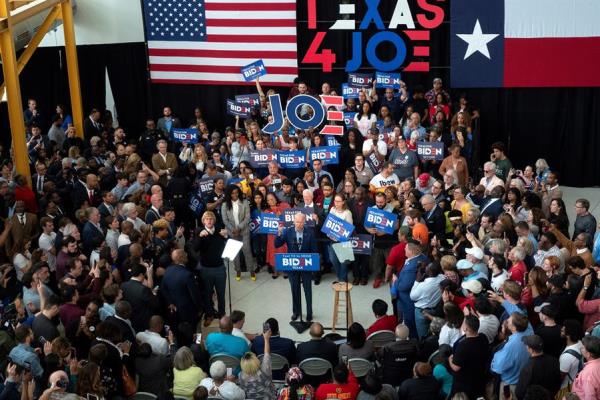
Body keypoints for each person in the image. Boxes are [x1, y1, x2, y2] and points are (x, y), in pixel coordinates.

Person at [275, 213, 317, 321]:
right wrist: (279, 233)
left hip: (306, 266)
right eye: (297, 222)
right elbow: (277, 244)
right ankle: (296, 312)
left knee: (308, 290)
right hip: (292, 266)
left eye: (301, 222)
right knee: (295, 290)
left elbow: (314, 250)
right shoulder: (288, 231)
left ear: (304, 222)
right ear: (293, 222)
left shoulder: (310, 232)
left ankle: (309, 312)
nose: (298, 224)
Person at [191, 211, 227, 326]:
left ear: (214, 220)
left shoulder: (219, 231)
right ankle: (209, 314)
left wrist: (226, 236)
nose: (209, 221)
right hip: (206, 269)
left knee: (221, 294)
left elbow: (226, 245)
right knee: (208, 294)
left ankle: (222, 315)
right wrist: (199, 237)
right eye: (207, 219)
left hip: (220, 267)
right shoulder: (200, 233)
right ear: (203, 221)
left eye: (211, 219)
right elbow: (195, 248)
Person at [491, 312, 533, 398]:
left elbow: (498, 368)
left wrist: (495, 358)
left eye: (509, 321)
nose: (506, 321)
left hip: (510, 385)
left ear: (513, 327)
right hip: (524, 381)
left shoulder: (511, 346)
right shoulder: (529, 331)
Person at [448, 315, 491, 399]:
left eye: (463, 323)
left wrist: (450, 360)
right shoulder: (483, 337)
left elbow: (456, 368)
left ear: (466, 329)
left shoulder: (463, 346)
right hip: (479, 376)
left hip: (465, 383)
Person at [391, 242, 428, 338]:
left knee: (410, 325)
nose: (404, 250)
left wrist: (395, 281)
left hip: (407, 302)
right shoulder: (423, 257)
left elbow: (403, 286)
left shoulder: (410, 268)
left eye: (406, 249)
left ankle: (413, 340)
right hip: (414, 298)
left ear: (411, 251)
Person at [221, 185, 257, 281]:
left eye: (236, 192)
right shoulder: (225, 205)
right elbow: (225, 220)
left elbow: (247, 217)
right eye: (232, 193)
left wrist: (239, 228)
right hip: (232, 232)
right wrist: (233, 229)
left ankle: (251, 270)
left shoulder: (245, 202)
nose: (235, 194)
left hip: (244, 231)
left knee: (247, 251)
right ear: (229, 194)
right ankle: (238, 270)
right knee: (235, 253)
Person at [515, 335, 561, 400]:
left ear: (531, 350)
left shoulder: (528, 368)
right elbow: (558, 382)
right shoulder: (554, 361)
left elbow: (519, 393)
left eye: (527, 346)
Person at [239, 328, 276, 400]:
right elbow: (267, 354)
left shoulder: (241, 376)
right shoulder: (264, 371)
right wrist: (266, 339)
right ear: (256, 361)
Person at [571, 335, 600, 400]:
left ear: (589, 354)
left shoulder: (588, 374)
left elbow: (590, 397)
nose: (581, 348)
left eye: (583, 347)